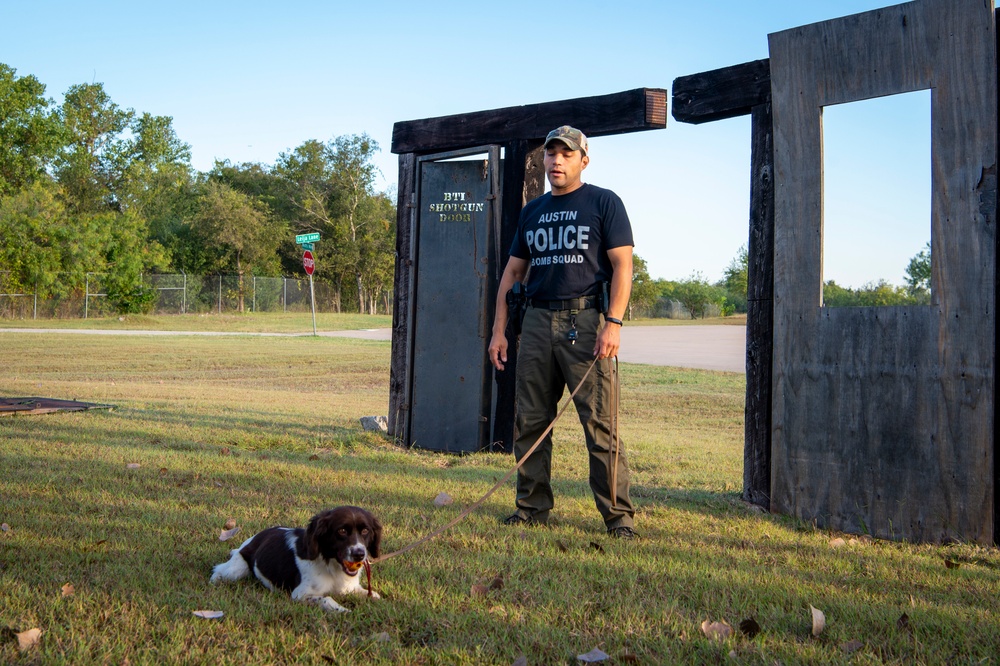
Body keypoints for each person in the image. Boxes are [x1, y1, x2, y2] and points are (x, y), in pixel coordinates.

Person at [488, 125, 637, 539]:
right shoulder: (532, 211)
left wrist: (613, 322)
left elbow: (623, 267)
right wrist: (499, 331)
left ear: (582, 160)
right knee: (530, 420)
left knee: (601, 424)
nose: (556, 160)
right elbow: (513, 273)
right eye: (551, 153)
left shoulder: (604, 203)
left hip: (586, 322)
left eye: (566, 154)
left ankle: (618, 518)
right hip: (535, 321)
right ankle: (531, 507)